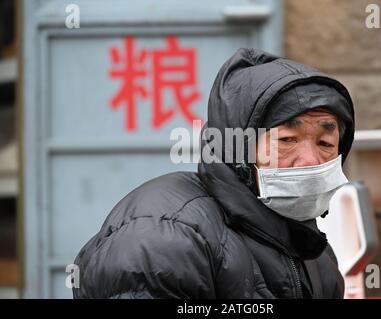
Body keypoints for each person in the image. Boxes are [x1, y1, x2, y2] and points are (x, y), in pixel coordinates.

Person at [73, 48, 355, 299]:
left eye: (325, 144)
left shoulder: (314, 253)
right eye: (287, 140)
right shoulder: (165, 237)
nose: (309, 160)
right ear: (238, 147)